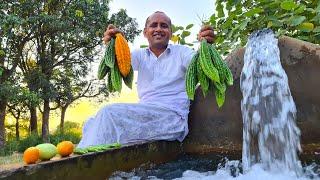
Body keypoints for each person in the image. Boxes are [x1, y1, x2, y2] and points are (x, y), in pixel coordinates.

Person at [77, 11, 215, 148]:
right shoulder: (139, 55)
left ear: (171, 33)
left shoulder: (182, 53)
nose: (159, 29)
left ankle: (81, 165)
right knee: (91, 123)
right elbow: (120, 66)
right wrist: (115, 44)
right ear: (145, 32)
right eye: (154, 25)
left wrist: (205, 45)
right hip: (145, 115)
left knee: (109, 112)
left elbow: (199, 65)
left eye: (164, 26)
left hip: (172, 119)